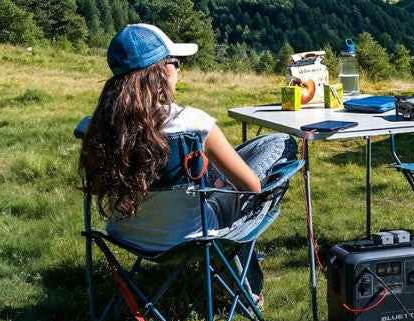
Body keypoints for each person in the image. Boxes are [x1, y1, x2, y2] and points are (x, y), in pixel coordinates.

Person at [78, 23, 298, 297]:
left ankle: (213, 183)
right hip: (193, 237)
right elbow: (252, 188)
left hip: (127, 235)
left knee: (221, 167)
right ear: (161, 70)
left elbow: (100, 187)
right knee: (280, 144)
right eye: (176, 62)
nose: (179, 70)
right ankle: (245, 288)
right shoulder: (193, 123)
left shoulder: (95, 127)